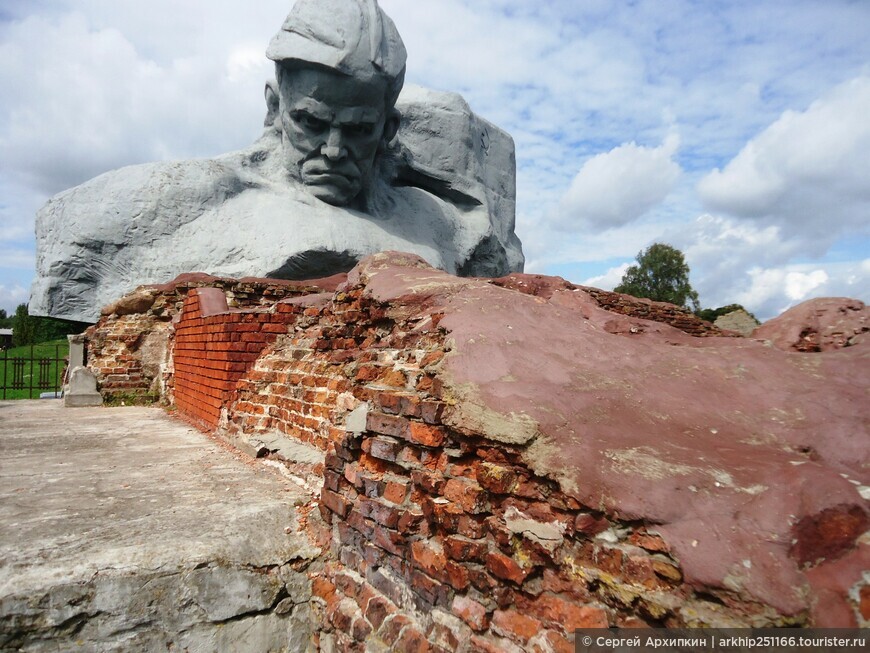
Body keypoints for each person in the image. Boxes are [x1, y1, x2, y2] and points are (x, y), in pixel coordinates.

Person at [31, 0, 523, 323]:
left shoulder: (432, 220)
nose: (333, 150)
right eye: (311, 122)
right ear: (274, 107)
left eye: (357, 130)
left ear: (387, 129)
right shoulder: (203, 195)